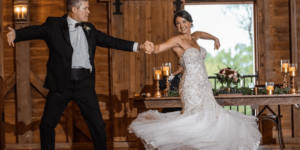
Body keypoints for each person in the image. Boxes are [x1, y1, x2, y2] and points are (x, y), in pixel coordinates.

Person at [6, 0, 151, 149]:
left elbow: (111, 41)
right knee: (47, 124)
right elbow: (36, 31)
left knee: (97, 124)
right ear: (74, 9)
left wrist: (138, 46)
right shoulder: (54, 25)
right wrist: (16, 33)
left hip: (84, 83)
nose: (88, 11)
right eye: (85, 8)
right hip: (62, 83)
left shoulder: (90, 28)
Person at [129, 10, 262, 150]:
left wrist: (215, 38)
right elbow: (158, 48)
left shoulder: (194, 37)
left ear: (190, 22)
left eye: (184, 22)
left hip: (204, 85)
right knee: (196, 119)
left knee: (211, 117)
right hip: (190, 86)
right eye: (178, 24)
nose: (181, 26)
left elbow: (201, 33)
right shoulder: (176, 40)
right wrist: (150, 47)